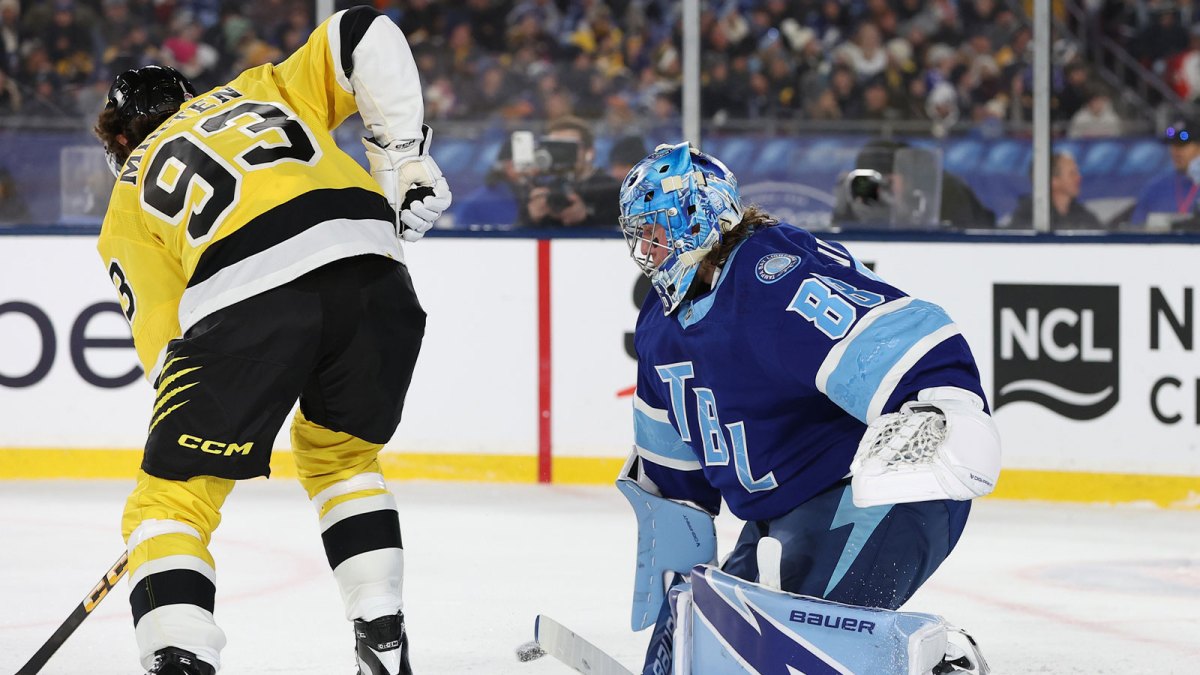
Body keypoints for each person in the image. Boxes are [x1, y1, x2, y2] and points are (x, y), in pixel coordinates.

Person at [91, 6, 451, 675]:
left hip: (248, 289)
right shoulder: (260, 88)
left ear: (118, 140)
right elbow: (362, 29)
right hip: (377, 272)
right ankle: (382, 634)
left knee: (172, 497)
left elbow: (172, 356)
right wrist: (402, 158)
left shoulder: (127, 203)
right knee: (341, 460)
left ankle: (178, 654)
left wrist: (201, 442)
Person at [616, 143, 999, 674]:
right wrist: (679, 615)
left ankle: (938, 659)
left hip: (872, 495)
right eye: (638, 234)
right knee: (722, 649)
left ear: (697, 220)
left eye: (655, 231)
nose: (645, 248)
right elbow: (673, 485)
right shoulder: (658, 326)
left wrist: (943, 407)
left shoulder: (773, 276)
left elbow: (910, 340)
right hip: (782, 517)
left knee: (792, 652)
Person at [833, 139, 997, 228]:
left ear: (907, 177)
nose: (879, 190)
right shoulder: (861, 196)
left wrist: (901, 209)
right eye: (869, 182)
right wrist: (845, 205)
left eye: (888, 181)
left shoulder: (944, 191)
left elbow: (966, 242)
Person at [518, 115, 621, 228]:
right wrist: (532, 217)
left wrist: (586, 218)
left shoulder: (611, 189)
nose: (560, 155)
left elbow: (623, 230)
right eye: (554, 148)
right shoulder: (545, 188)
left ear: (589, 152)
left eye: (568, 148)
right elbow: (517, 231)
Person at [1128, 117, 1200, 229]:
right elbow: (1136, 229)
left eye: (1182, 145)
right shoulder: (1155, 188)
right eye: (1173, 145)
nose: (1176, 151)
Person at [1008, 151, 1104, 230]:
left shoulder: (1083, 216)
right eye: (1072, 173)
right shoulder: (1028, 216)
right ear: (1053, 180)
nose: (1079, 178)